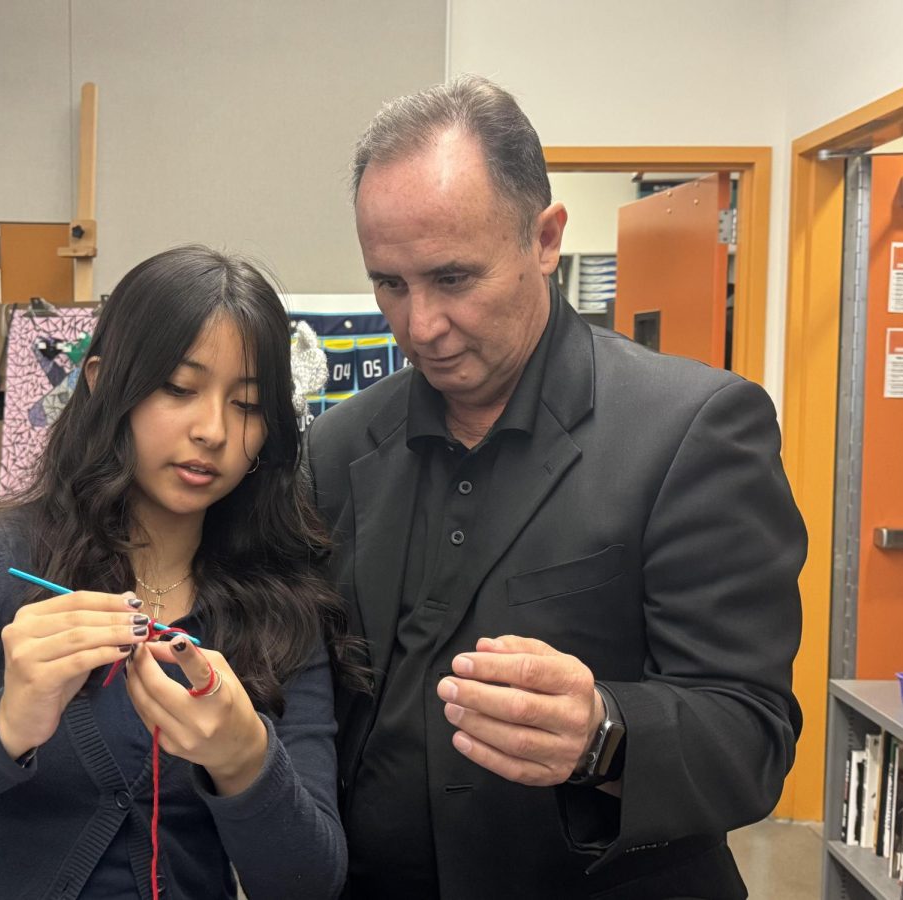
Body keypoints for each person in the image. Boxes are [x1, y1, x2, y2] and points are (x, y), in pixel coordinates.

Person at [305, 75, 807, 899]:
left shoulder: (694, 429)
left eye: (453, 278)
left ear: (545, 239)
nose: (419, 324)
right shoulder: (338, 444)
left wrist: (604, 734)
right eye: (389, 284)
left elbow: (751, 733)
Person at [0, 245, 352, 900]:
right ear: (101, 382)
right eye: (179, 388)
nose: (212, 430)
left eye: (248, 404)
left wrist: (244, 760)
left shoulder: (283, 608)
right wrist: (3, 728)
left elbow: (313, 884)